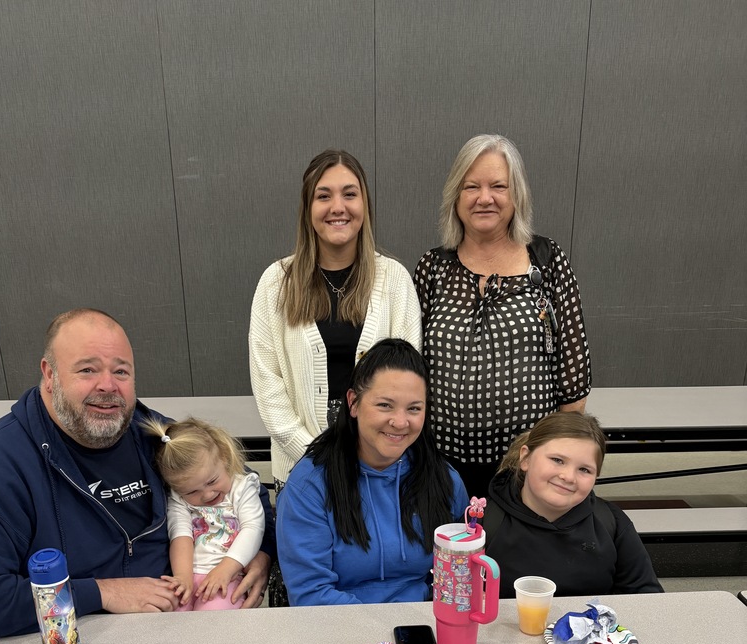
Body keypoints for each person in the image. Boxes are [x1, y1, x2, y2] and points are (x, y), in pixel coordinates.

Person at [0, 308, 274, 637]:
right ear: (50, 374)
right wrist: (102, 592)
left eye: (121, 372)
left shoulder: (150, 434)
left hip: (180, 622)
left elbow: (243, 484)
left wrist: (261, 554)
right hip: (76, 639)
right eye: (87, 370)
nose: (107, 385)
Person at [414, 134, 592, 500]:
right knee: (452, 556)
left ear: (516, 196)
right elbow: (410, 366)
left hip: (527, 469)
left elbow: (574, 376)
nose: (485, 198)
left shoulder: (547, 260)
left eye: (498, 186)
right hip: (442, 468)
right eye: (472, 186)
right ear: (456, 196)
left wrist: (555, 459)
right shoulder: (432, 268)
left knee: (517, 557)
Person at [249, 148, 422, 490]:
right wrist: (317, 457)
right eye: (323, 196)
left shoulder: (394, 279)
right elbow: (268, 385)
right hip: (300, 472)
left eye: (350, 194)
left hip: (378, 471)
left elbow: (407, 379)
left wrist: (367, 455)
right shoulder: (276, 282)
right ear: (308, 208)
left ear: (364, 206)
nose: (338, 207)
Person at [277, 339, 469, 605]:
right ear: (354, 403)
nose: (401, 422)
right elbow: (310, 594)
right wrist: (388, 630)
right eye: (385, 405)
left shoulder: (444, 479)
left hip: (422, 628)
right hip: (337, 629)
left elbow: (457, 576)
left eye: (414, 408)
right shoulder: (310, 484)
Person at [486, 411, 663, 598]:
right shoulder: (484, 524)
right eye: (557, 460)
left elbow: (646, 596)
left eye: (584, 470)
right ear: (526, 458)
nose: (568, 477)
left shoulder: (611, 523)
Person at [145, 417, 265, 611]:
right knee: (172, 614)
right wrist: (183, 578)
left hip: (229, 574)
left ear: (224, 457)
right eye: (192, 492)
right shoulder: (179, 497)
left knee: (214, 617)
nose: (207, 494)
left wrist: (226, 569)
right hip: (189, 573)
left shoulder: (242, 488)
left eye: (212, 481)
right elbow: (180, 535)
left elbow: (253, 528)